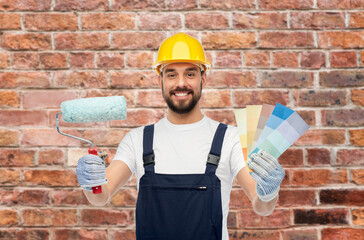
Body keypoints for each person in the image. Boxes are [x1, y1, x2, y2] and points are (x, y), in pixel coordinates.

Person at [76, 32, 285, 240]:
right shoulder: (137, 140)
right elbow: (100, 197)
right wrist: (90, 182)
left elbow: (262, 206)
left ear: (203, 78)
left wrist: (268, 192)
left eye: (190, 74)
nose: (181, 83)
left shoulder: (229, 139)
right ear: (161, 81)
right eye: (172, 74)